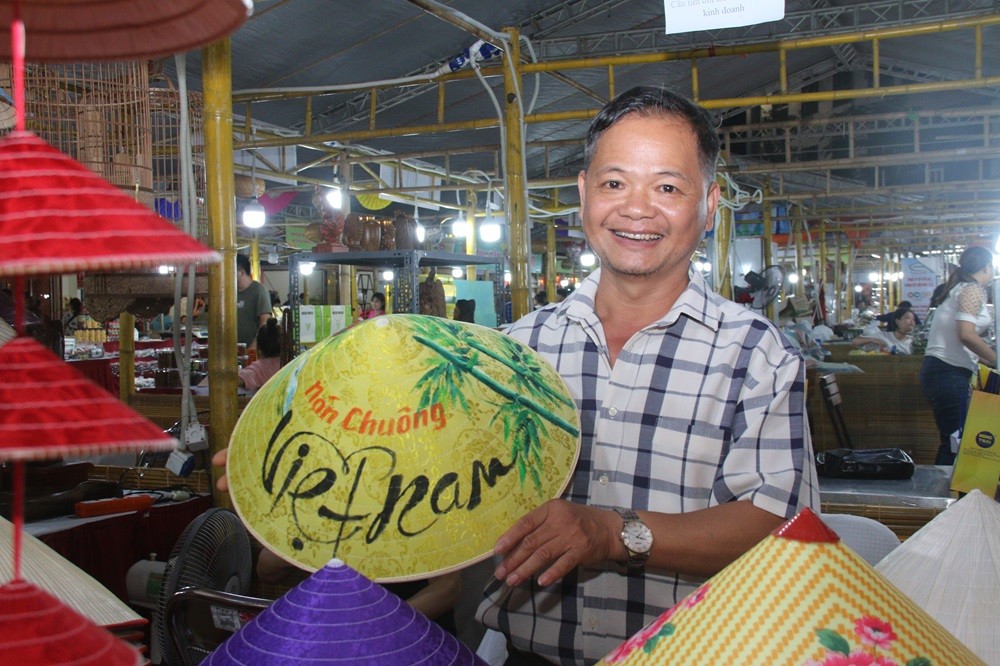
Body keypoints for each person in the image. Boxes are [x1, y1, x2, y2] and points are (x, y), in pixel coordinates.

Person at [475, 86, 818, 664]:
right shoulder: (515, 350)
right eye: (614, 183)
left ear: (709, 204)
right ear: (583, 194)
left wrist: (612, 533)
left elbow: (778, 522)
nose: (636, 209)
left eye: (667, 187)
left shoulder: (757, 354)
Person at [255, 547, 462, 635]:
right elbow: (267, 570)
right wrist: (315, 541)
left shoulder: (421, 492)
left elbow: (447, 589)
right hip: (333, 636)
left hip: (413, 638)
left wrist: (375, 627)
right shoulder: (327, 494)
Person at [920, 245, 996, 465]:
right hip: (947, 372)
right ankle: (943, 486)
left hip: (944, 371)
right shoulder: (972, 289)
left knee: (954, 440)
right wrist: (996, 359)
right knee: (954, 442)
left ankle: (947, 485)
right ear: (987, 267)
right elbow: (966, 335)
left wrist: (987, 361)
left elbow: (959, 340)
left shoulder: (959, 288)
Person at [236, 253, 271, 350]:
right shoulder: (230, 292)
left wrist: (253, 347)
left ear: (241, 272)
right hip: (233, 350)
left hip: (252, 350)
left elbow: (265, 321)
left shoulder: (259, 291)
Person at [850, 304, 917, 354]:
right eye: (907, 318)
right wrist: (872, 340)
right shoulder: (882, 336)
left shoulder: (914, 342)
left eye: (913, 319)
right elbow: (855, 341)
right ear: (897, 321)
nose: (912, 321)